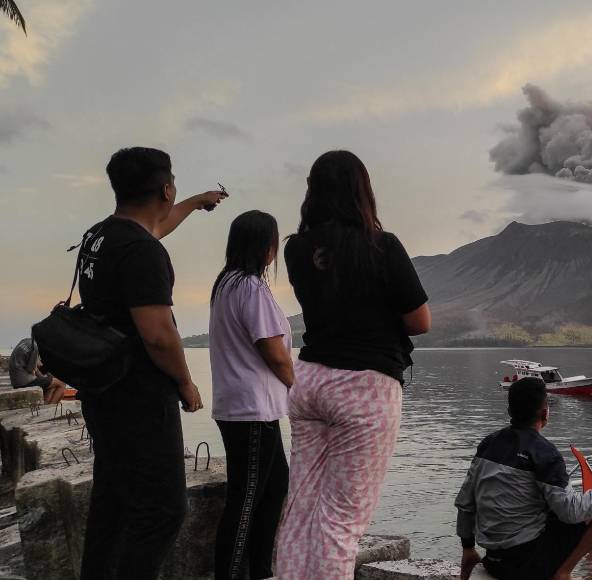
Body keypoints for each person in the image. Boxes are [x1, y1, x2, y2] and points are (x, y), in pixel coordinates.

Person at [275, 150, 431, 579]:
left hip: (309, 380)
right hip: (365, 387)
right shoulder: (383, 246)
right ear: (362, 191)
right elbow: (420, 321)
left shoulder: (297, 249)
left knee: (301, 506)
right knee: (341, 521)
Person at [77, 147, 227, 580]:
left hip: (103, 392)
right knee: (163, 510)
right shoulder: (142, 253)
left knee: (113, 500)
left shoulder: (100, 237)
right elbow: (159, 335)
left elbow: (154, 226)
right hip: (139, 397)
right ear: (165, 188)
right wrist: (185, 382)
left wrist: (197, 203)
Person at [455, 378, 592, 580]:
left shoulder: (488, 444)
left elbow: (465, 503)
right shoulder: (544, 453)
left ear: (510, 412)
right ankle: (563, 573)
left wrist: (468, 548)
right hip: (527, 565)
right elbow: (570, 512)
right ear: (545, 413)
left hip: (494, 560)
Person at [209, 210, 293, 580]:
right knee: (246, 501)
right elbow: (273, 351)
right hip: (251, 409)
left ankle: (261, 571)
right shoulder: (250, 287)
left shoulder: (227, 283)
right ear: (265, 246)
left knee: (274, 489)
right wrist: (300, 385)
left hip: (245, 406)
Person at [7, 337, 68, 403]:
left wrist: (47, 378)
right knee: (62, 383)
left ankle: (46, 406)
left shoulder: (26, 341)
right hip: (25, 382)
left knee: (52, 384)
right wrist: (45, 377)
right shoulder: (35, 348)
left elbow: (35, 364)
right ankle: (52, 408)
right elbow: (31, 370)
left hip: (15, 382)